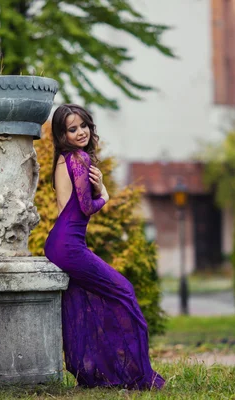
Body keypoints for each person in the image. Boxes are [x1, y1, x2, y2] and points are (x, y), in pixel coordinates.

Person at [44, 104, 165, 390]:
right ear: (63, 134)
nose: (81, 132)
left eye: (83, 125)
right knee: (124, 291)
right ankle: (137, 375)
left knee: (81, 304)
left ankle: (92, 373)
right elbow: (85, 207)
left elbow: (64, 208)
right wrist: (104, 195)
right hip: (70, 247)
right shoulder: (79, 159)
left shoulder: (61, 160)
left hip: (58, 244)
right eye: (72, 129)